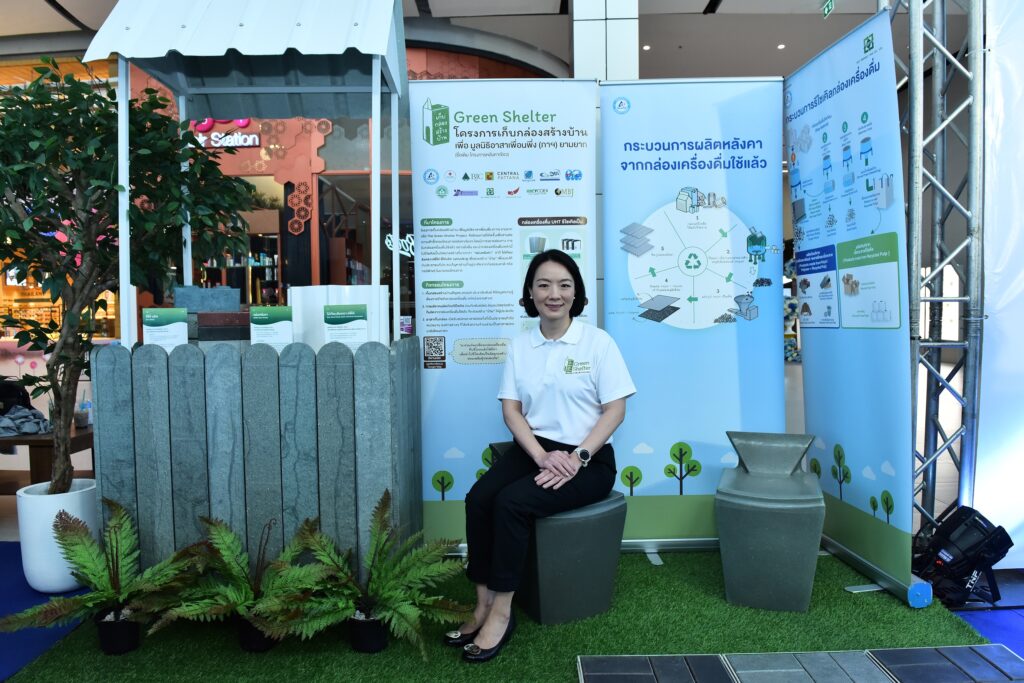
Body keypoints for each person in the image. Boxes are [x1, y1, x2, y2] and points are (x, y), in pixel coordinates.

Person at [447, 249, 636, 663]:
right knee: (479, 499)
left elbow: (615, 410)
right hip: (535, 449)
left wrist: (578, 457)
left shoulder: (598, 343)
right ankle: (482, 601)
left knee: (512, 503)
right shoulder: (521, 346)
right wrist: (540, 456)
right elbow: (511, 411)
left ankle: (502, 612)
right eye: (544, 284)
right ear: (530, 292)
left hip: (589, 458)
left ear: (576, 293)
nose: (554, 294)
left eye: (564, 285)